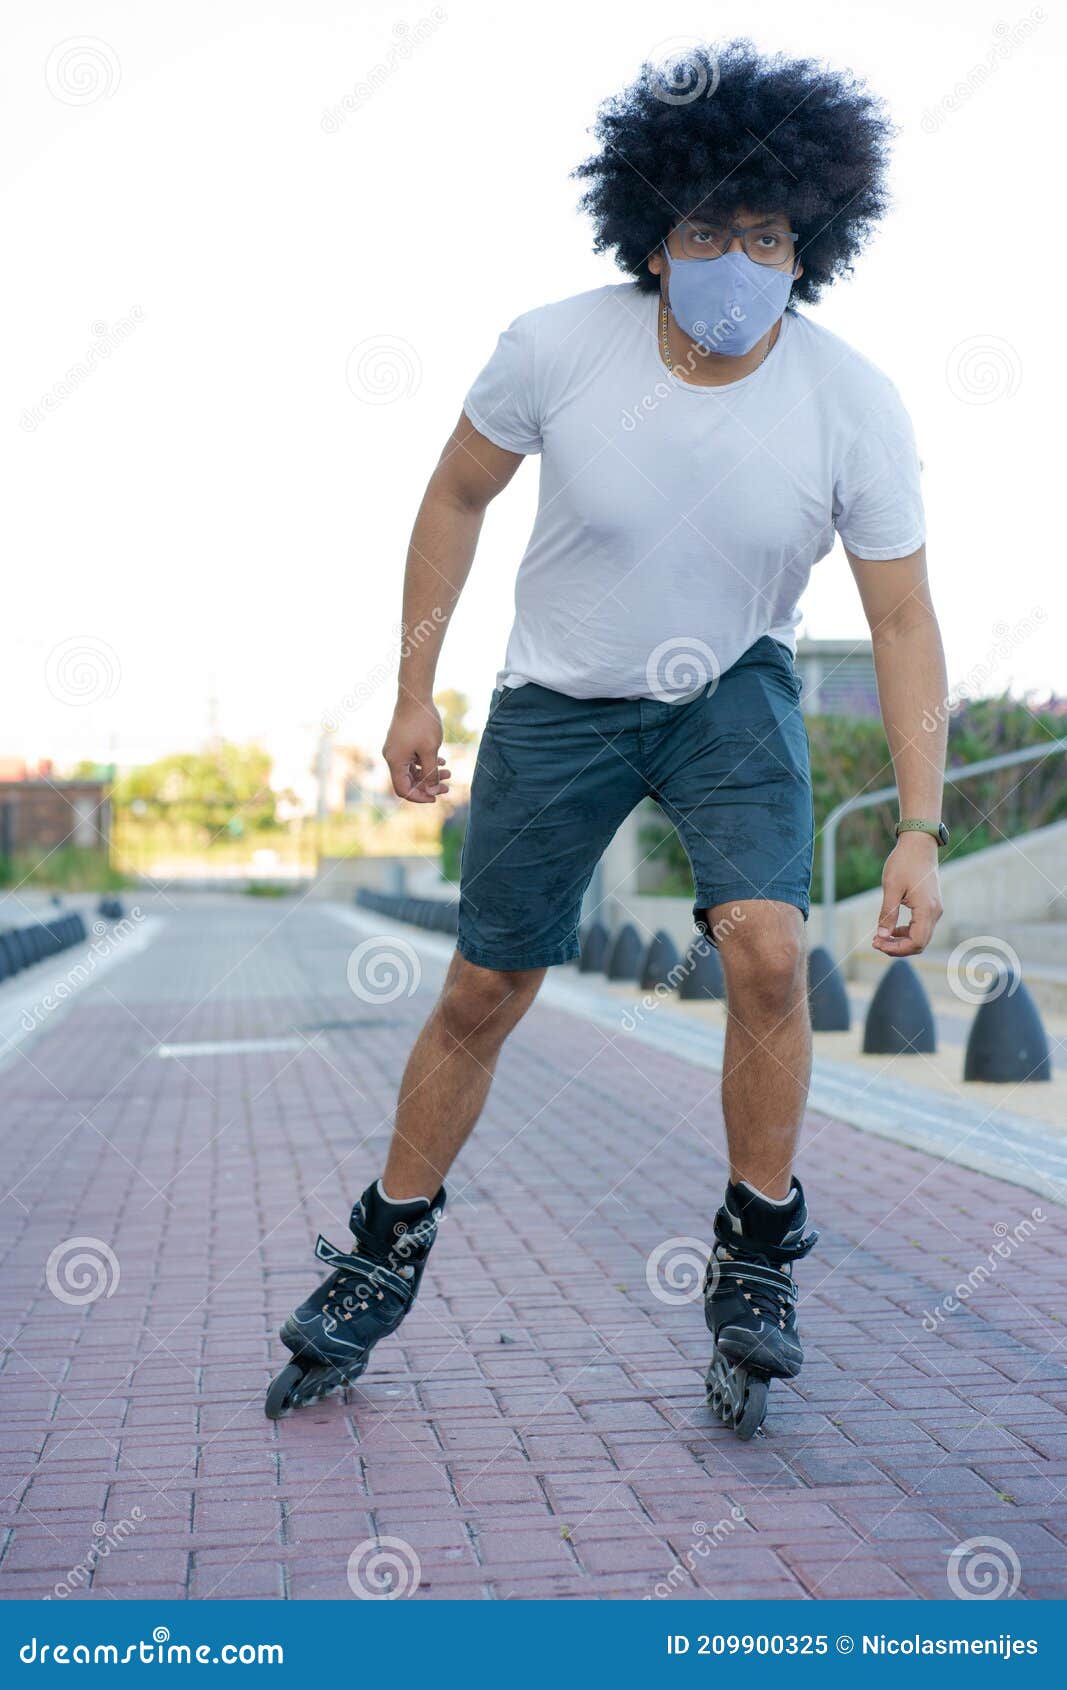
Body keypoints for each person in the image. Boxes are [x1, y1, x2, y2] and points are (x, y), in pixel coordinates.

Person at [266, 40, 948, 1424]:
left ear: (807, 246)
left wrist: (921, 827)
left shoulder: (852, 402)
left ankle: (758, 1250)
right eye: (709, 229)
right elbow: (455, 495)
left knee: (767, 953)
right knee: (482, 991)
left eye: (768, 235)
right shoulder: (554, 347)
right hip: (557, 701)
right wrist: (414, 688)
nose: (739, 259)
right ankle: (381, 1245)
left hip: (730, 696)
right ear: (654, 240)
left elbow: (902, 626)